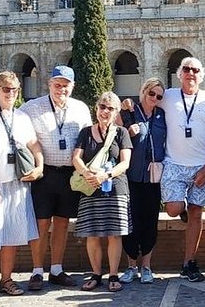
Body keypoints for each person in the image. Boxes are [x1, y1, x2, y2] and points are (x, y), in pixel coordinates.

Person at [19, 65, 92, 290]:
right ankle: (37, 271)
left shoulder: (80, 108)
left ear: (73, 86)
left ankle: (57, 269)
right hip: (44, 173)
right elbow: (20, 136)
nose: (61, 89)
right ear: (49, 84)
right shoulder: (31, 108)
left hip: (69, 175)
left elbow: (88, 139)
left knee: (62, 223)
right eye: (57, 84)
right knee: (41, 223)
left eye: (66, 85)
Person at [0, 72, 45, 298]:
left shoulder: (22, 116)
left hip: (18, 184)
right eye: (6, 89)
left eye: (15, 89)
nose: (11, 93)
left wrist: (40, 166)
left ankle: (6, 279)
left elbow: (34, 144)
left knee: (12, 235)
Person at [159, 57, 205, 282]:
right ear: (180, 74)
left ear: (201, 75)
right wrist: (127, 107)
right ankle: (181, 207)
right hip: (174, 164)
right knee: (173, 209)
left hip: (200, 166)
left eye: (195, 70)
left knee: (197, 214)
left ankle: (189, 262)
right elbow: (147, 101)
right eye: (186, 69)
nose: (191, 73)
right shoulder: (167, 97)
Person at [72, 92, 133, 292]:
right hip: (91, 188)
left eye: (110, 108)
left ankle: (113, 275)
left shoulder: (121, 133)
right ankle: (96, 274)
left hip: (115, 189)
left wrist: (105, 176)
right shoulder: (85, 132)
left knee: (115, 234)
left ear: (116, 112)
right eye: (102, 107)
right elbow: (76, 158)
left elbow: (125, 163)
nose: (105, 111)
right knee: (92, 234)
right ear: (96, 108)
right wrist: (87, 173)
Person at [120, 79, 167, 285]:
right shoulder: (129, 112)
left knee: (150, 222)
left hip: (153, 177)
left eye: (159, 96)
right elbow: (116, 137)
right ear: (144, 92)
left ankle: (146, 266)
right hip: (131, 176)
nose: (155, 99)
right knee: (131, 223)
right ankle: (131, 266)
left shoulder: (161, 115)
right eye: (152, 94)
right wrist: (128, 133)